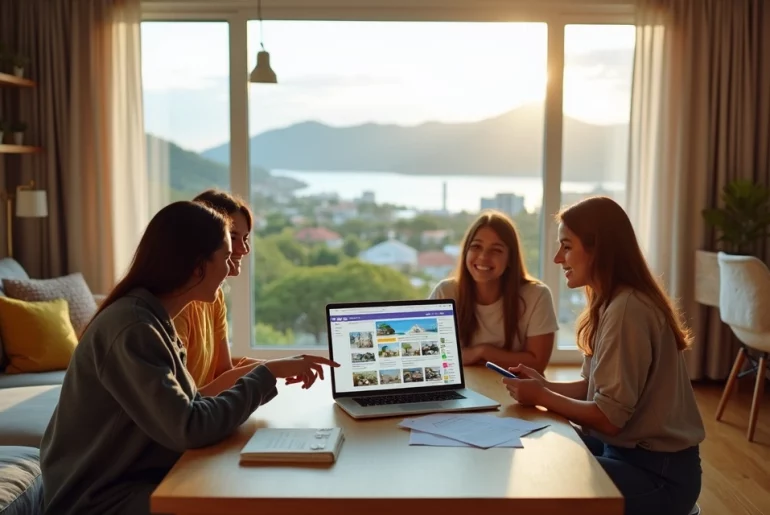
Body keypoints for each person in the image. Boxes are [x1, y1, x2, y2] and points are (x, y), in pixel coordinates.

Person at [40, 201, 339, 515]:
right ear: (198, 266)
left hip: (135, 481)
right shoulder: (134, 329)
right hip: (98, 500)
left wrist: (269, 371)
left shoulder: (154, 320)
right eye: (225, 256)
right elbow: (190, 426)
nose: (230, 267)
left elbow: (191, 407)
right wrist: (265, 374)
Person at [504, 196, 704, 515]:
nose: (558, 258)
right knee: (540, 449)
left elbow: (610, 419)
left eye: (567, 246)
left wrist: (542, 395)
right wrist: (545, 385)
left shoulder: (627, 309)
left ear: (598, 249)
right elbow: (592, 387)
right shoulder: (611, 302)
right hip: (627, 454)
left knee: (546, 483)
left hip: (658, 474)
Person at [429, 210, 558, 373]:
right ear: (465, 252)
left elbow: (537, 364)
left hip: (516, 391)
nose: (483, 257)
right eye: (476, 246)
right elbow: (432, 356)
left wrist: (483, 352)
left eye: (496, 250)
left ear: (510, 258)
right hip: (464, 388)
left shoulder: (537, 295)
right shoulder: (446, 292)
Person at [173, 189, 262, 395]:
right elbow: (183, 401)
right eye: (233, 237)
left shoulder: (215, 295)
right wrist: (271, 370)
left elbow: (222, 371)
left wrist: (282, 367)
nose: (244, 249)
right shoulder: (177, 305)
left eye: (246, 238)